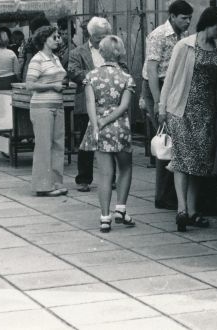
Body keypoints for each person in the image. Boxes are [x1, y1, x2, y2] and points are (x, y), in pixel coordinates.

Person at [159, 6, 217, 232]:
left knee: (199, 162)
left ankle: (191, 209)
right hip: (181, 109)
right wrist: (162, 108)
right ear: (209, 23)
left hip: (207, 114)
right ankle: (182, 209)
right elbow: (170, 78)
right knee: (182, 159)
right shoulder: (184, 45)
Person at [79, 35, 136, 232]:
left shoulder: (91, 76)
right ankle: (120, 208)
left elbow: (89, 103)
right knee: (125, 168)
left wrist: (97, 124)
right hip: (120, 128)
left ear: (101, 52)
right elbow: (124, 106)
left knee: (104, 174)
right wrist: (109, 119)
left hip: (100, 129)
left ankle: (104, 217)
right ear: (120, 53)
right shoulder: (126, 78)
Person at [144, 0, 193, 210]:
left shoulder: (184, 35)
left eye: (190, 18)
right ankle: (163, 196)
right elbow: (152, 70)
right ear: (172, 16)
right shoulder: (158, 35)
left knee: (176, 140)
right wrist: (158, 102)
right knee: (165, 141)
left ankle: (173, 193)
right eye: (184, 18)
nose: (188, 22)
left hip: (174, 88)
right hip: (157, 86)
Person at [69, 17, 126, 192]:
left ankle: (111, 178)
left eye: (106, 36)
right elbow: (73, 72)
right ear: (90, 34)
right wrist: (100, 75)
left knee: (111, 141)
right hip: (86, 102)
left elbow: (125, 69)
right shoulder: (77, 52)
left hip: (110, 104)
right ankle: (84, 179)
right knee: (85, 143)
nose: (103, 40)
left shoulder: (114, 48)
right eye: (99, 37)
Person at [25, 25, 68, 197]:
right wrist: (52, 86)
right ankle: (43, 186)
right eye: (54, 37)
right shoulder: (37, 59)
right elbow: (30, 84)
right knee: (44, 146)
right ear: (44, 39)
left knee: (58, 145)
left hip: (58, 105)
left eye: (59, 37)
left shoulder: (56, 58)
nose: (58, 40)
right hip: (42, 107)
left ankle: (56, 182)